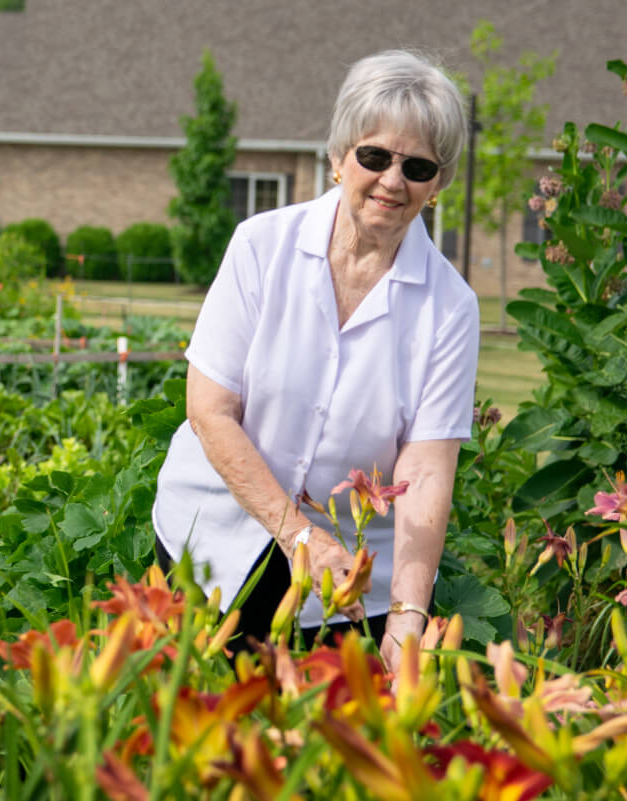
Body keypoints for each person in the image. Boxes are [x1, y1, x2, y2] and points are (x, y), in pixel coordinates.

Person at [151, 49, 479, 673]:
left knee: (318, 750)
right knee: (201, 728)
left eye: (417, 166)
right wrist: (298, 534)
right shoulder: (260, 246)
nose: (392, 180)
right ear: (337, 158)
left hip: (346, 587)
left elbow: (426, 471)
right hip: (212, 537)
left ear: (437, 185)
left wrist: (409, 615)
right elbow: (211, 411)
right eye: (375, 156)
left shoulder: (450, 309)